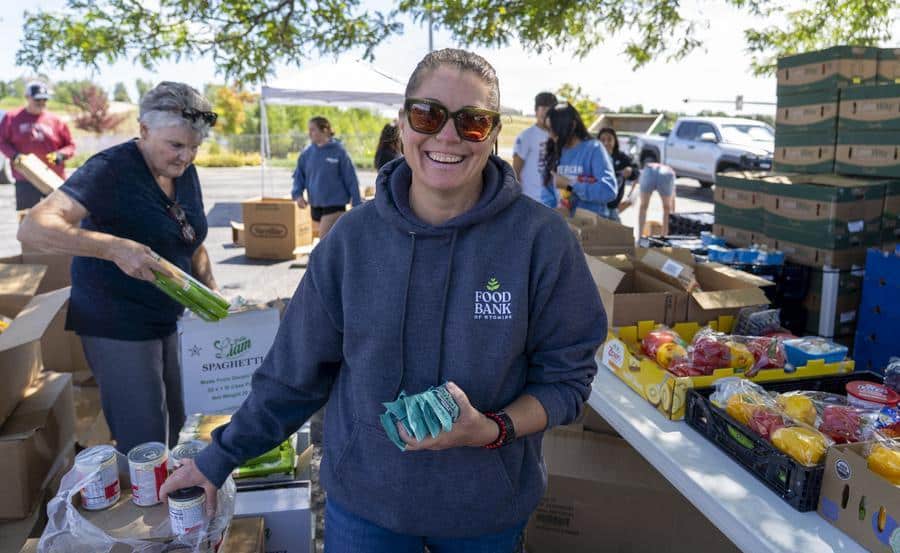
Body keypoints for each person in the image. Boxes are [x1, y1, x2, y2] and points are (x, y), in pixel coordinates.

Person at [161, 48, 606, 552]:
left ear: (495, 132)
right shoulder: (350, 241)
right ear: (401, 124)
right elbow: (292, 377)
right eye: (428, 114)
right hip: (366, 509)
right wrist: (216, 460)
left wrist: (491, 429)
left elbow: (567, 380)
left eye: (473, 122)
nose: (447, 136)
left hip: (486, 512)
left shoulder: (542, 240)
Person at [18, 82, 218, 454]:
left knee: (184, 429)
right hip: (118, 322)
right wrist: (113, 248)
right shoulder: (110, 169)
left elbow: (189, 237)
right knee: (146, 442)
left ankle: (181, 506)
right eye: (176, 145)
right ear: (143, 130)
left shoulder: (184, 171)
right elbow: (34, 226)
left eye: (195, 147)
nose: (186, 157)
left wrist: (213, 292)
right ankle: (150, 510)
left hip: (172, 320)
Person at [0, 81, 76, 209]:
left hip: (53, 177)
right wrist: (14, 155)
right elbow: (2, 141)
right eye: (37, 100)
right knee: (27, 218)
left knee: (56, 219)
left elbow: (71, 145)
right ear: (27, 98)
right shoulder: (12, 118)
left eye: (44, 100)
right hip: (26, 177)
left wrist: (61, 155)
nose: (41, 103)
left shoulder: (56, 121)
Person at [291, 116, 361, 239]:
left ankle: (318, 258)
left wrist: (356, 202)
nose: (309, 133)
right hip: (315, 205)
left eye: (313, 130)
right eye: (309, 130)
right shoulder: (306, 154)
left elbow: (351, 178)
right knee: (330, 242)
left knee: (323, 242)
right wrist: (298, 195)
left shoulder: (339, 152)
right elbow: (299, 176)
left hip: (335, 206)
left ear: (325, 130)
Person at [544, 103, 617, 218]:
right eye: (548, 129)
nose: (551, 135)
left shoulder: (594, 149)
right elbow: (548, 193)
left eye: (555, 129)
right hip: (563, 228)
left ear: (572, 125)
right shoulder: (555, 151)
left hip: (590, 230)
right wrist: (556, 210)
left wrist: (570, 184)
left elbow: (608, 191)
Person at [512, 91, 558, 207]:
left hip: (554, 202)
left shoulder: (558, 136)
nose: (547, 113)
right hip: (530, 202)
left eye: (550, 109)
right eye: (543, 108)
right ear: (536, 111)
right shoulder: (526, 136)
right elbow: (515, 172)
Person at [597, 127, 640, 223]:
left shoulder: (622, 157)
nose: (606, 143)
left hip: (613, 207)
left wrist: (631, 171)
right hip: (596, 206)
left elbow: (636, 171)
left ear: (615, 140)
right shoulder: (594, 156)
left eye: (609, 139)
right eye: (602, 140)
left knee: (617, 235)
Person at [638, 162, 677, 237]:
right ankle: (664, 236)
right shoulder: (670, 171)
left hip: (649, 171)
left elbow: (637, 181)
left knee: (643, 206)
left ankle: (640, 236)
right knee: (667, 208)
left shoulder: (646, 168)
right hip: (666, 174)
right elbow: (672, 201)